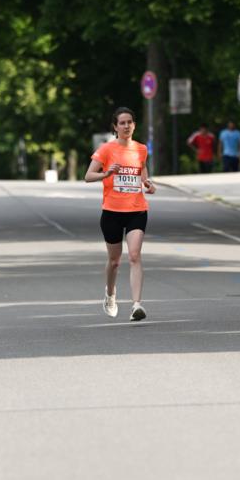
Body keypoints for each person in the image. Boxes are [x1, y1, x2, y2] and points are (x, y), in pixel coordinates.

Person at [85, 107, 156, 321]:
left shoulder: (141, 149)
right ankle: (110, 293)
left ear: (134, 125)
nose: (126, 126)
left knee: (134, 255)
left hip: (136, 209)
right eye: (122, 123)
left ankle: (136, 305)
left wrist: (148, 184)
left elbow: (142, 173)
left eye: (130, 122)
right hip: (112, 211)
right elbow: (88, 176)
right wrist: (107, 173)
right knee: (114, 261)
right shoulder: (106, 150)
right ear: (115, 127)